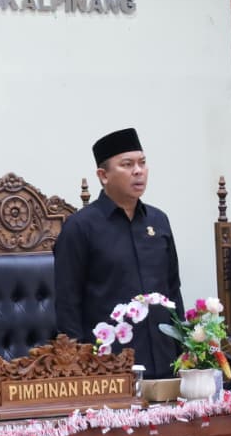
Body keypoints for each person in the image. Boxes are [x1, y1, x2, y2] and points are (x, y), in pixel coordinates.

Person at [54, 128, 185, 377]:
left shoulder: (158, 221)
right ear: (103, 175)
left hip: (164, 360)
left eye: (142, 163)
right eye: (127, 164)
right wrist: (79, 368)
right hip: (108, 366)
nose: (138, 171)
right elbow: (68, 304)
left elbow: (173, 289)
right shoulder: (80, 227)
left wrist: (183, 350)